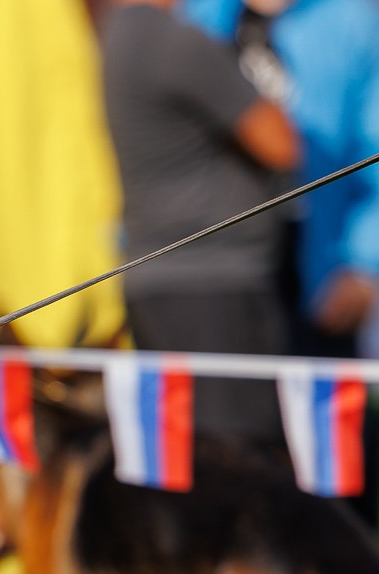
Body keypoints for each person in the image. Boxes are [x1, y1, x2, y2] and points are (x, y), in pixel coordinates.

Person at [101, 0, 301, 439]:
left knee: (192, 460)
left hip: (159, 283)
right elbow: (281, 142)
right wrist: (262, 66)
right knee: (236, 463)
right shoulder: (175, 42)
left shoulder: (116, 37)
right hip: (212, 288)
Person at [184, 0, 379, 359]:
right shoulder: (197, 17)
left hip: (315, 279)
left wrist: (368, 265)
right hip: (206, 279)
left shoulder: (352, 21)